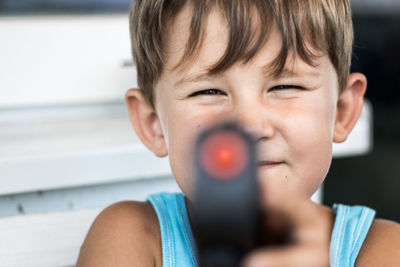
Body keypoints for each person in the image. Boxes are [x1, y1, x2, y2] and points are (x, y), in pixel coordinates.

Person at [76, 0, 400, 266]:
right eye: (209, 92)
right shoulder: (133, 236)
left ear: (341, 112)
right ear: (153, 124)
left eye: (285, 86)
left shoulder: (384, 252)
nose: (248, 126)